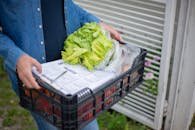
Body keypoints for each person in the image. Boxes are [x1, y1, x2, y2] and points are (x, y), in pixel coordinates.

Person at [0, 0, 121, 130]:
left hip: (72, 70)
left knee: (88, 125)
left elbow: (69, 6)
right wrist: (16, 56)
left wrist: (97, 23)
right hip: (37, 80)